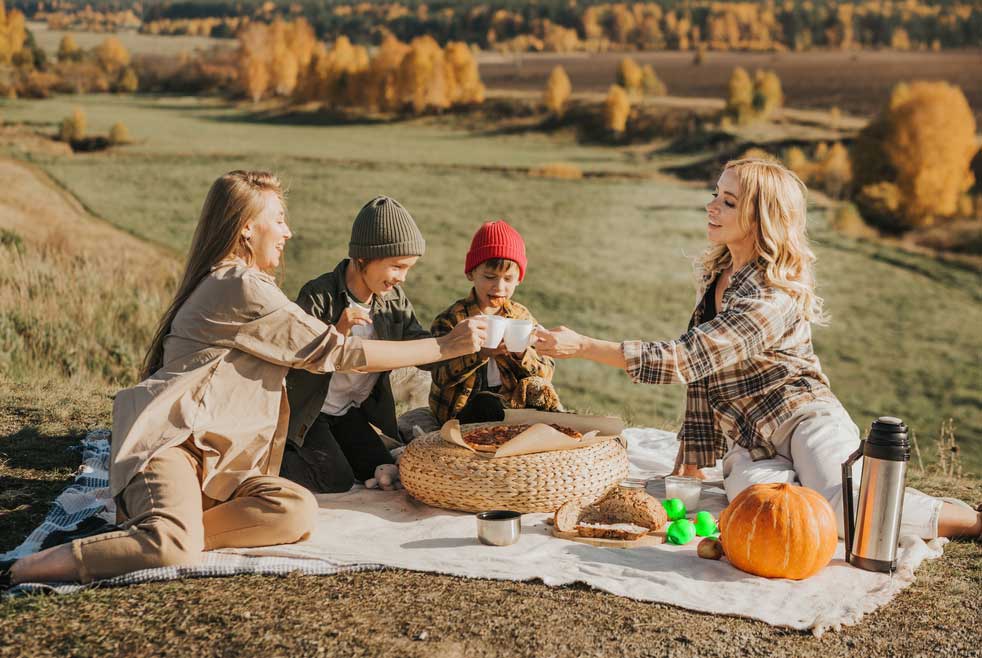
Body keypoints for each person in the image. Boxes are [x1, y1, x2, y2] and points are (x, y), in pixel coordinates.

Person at [1, 171, 486, 588]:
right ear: (246, 228)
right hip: (174, 445)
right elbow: (339, 353)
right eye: (279, 219)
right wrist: (448, 346)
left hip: (224, 461)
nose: (289, 232)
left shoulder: (248, 286)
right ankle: (22, 568)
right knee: (171, 546)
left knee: (296, 510)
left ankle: (166, 530)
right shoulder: (239, 287)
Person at [534, 159, 981, 541]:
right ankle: (845, 495)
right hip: (752, 442)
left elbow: (686, 359)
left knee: (848, 507)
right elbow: (703, 377)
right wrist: (692, 460)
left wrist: (583, 346)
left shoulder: (771, 296)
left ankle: (973, 521)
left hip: (804, 417)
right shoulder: (719, 279)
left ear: (762, 217)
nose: (711, 206)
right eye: (715, 195)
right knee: (760, 514)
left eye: (728, 202)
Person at [281, 196, 432, 493]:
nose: (402, 278)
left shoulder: (392, 300)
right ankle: (272, 458)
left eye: (408, 269)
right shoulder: (319, 295)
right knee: (335, 479)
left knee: (382, 468)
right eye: (396, 267)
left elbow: (417, 341)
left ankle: (337, 454)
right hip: (312, 413)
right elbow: (298, 359)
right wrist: (338, 331)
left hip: (351, 411)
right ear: (364, 257)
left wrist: (455, 343)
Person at [429, 220, 561, 424]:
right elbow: (440, 376)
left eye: (508, 279)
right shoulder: (451, 320)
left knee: (544, 403)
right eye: (490, 277)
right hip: (461, 412)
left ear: (519, 279)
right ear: (471, 273)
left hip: (511, 406)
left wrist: (522, 354)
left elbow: (546, 372)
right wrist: (480, 354)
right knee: (487, 404)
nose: (499, 287)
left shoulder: (521, 317)